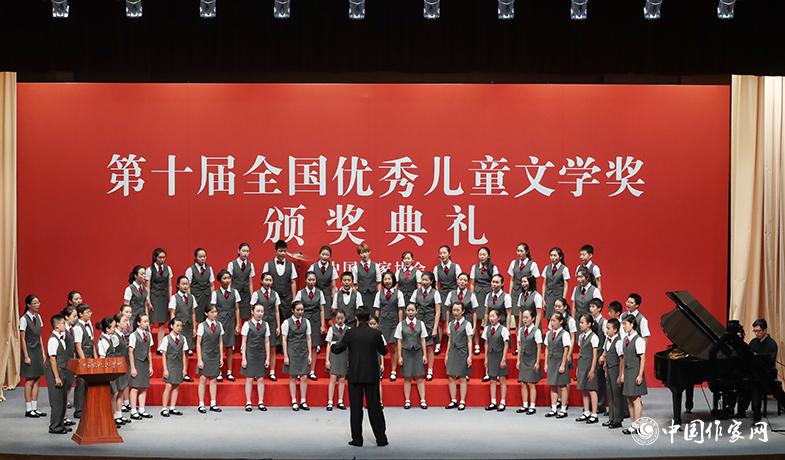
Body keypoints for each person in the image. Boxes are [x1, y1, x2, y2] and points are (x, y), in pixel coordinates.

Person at [331, 311, 389, 448]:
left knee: (356, 409)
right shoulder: (376, 333)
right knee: (375, 407)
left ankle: (357, 439)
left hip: (355, 375)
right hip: (371, 375)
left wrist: (332, 345)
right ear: (369, 318)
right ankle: (381, 439)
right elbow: (384, 351)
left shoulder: (350, 333)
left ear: (356, 318)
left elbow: (338, 349)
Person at [738, 318, 778, 421]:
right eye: (754, 331)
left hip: (766, 373)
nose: (756, 333)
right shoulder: (753, 342)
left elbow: (771, 362)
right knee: (741, 380)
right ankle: (740, 409)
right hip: (753, 372)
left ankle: (756, 411)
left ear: (765, 330)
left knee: (755, 382)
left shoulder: (772, 344)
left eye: (758, 331)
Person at [395, 304, 428, 409]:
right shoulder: (401, 324)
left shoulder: (421, 324)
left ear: (416, 311)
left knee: (420, 377)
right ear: (405, 311)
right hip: (406, 352)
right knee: (407, 378)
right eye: (408, 310)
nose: (410, 312)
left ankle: (423, 400)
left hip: (418, 352)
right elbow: (399, 341)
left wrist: (424, 355)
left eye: (412, 310)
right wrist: (400, 356)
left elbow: (423, 339)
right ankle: (407, 401)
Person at [373, 271, 405, 381]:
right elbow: (377, 310)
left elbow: (400, 310)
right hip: (382, 323)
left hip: (394, 323)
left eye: (389, 279)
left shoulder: (399, 293)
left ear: (393, 280)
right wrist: (376, 324)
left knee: (393, 347)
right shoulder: (379, 294)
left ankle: (393, 371)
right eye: (385, 279)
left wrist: (400, 324)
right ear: (382, 281)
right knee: (379, 347)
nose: (387, 281)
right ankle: (379, 370)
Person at [294, 272, 326, 381]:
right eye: (309, 280)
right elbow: (296, 308)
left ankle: (312, 371)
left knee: (314, 346)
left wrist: (322, 325)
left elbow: (322, 310)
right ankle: (301, 371)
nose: (311, 282)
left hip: (316, 322)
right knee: (302, 346)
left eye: (313, 280)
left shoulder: (320, 293)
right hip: (303, 321)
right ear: (305, 280)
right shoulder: (300, 293)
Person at [410, 272, 441, 381]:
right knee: (417, 347)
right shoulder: (416, 292)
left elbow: (438, 312)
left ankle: (430, 371)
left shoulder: (435, 293)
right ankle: (418, 370)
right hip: (418, 322)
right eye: (422, 279)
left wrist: (435, 328)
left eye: (426, 280)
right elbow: (411, 307)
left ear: (431, 281)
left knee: (429, 347)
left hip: (430, 322)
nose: (424, 282)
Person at [211, 269, 241, 382]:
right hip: (219, 321)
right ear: (220, 280)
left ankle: (229, 372)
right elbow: (213, 309)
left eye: (228, 278)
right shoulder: (215, 293)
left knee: (229, 347)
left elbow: (237, 309)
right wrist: (214, 323)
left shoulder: (235, 292)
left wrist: (238, 324)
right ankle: (218, 372)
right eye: (224, 278)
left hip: (231, 321)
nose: (227, 280)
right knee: (218, 347)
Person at [250, 273, 281, 382]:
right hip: (259, 324)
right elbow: (252, 310)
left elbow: (277, 311)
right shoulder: (256, 294)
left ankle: (272, 372)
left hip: (272, 323)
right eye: (266, 280)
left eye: (270, 280)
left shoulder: (275, 294)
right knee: (259, 348)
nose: (268, 282)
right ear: (262, 281)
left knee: (272, 347)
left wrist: (278, 326)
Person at [282, 301, 312, 411]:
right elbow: (284, 340)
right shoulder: (287, 323)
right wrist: (286, 355)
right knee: (293, 377)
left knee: (304, 376)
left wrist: (309, 354)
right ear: (292, 310)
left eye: (302, 310)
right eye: (298, 310)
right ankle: (294, 400)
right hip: (292, 352)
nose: (300, 312)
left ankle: (303, 400)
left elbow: (308, 338)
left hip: (303, 351)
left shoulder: (306, 322)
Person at [240, 304, 271, 412]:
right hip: (250, 354)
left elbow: (267, 342)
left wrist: (267, 358)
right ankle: (248, 402)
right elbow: (244, 342)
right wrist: (244, 358)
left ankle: (261, 402)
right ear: (252, 312)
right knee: (249, 378)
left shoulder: (265, 325)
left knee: (261, 378)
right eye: (258, 311)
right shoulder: (247, 324)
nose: (260, 313)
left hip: (261, 354)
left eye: (262, 311)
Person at [620, 315, 647, 435]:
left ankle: (637, 424)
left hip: (635, 371)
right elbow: (624, 358)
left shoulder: (639, 340)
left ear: (632, 324)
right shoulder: (625, 339)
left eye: (625, 324)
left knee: (636, 398)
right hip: (627, 372)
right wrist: (622, 374)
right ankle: (633, 424)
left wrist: (640, 375)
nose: (623, 326)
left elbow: (642, 358)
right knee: (629, 398)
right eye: (623, 324)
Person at [20, 294, 45, 418]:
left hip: (38, 351)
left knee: (37, 379)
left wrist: (43, 352)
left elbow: (39, 336)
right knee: (30, 379)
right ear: (29, 305)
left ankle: (35, 407)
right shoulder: (24, 319)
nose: (37, 305)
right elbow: (22, 339)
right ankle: (28, 408)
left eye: (38, 302)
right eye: (35, 303)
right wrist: (26, 356)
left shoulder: (38, 317)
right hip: (29, 351)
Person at [434, 245, 462, 355]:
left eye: (444, 253)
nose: (442, 255)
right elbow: (435, 284)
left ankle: (455, 342)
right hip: (442, 294)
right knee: (441, 320)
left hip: (454, 294)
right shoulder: (437, 268)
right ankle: (438, 344)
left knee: (454, 318)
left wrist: (457, 295)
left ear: (449, 254)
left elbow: (460, 281)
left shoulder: (456, 266)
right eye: (440, 253)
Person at [445, 302, 473, 410]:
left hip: (462, 352)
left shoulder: (467, 324)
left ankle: (462, 401)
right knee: (451, 376)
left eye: (458, 310)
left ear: (463, 311)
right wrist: (447, 354)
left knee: (462, 377)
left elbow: (469, 341)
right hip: (452, 352)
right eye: (454, 310)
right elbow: (449, 340)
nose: (455, 312)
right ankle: (453, 400)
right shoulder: (450, 324)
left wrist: (469, 356)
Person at [444, 272, 480, 356]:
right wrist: (447, 325)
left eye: (465, 280)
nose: (462, 282)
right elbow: (448, 311)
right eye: (461, 279)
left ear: (468, 282)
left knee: (466, 345)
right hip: (454, 322)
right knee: (453, 343)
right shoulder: (451, 294)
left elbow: (474, 312)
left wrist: (474, 327)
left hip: (467, 322)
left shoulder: (472, 295)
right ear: (457, 280)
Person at [197, 304, 224, 414]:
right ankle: (201, 404)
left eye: (215, 312)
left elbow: (220, 341)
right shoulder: (202, 326)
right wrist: (199, 359)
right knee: (203, 379)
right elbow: (198, 343)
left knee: (213, 379)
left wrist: (221, 357)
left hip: (215, 355)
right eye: (212, 312)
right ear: (206, 313)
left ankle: (213, 404)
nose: (214, 314)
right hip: (205, 355)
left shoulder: (219, 325)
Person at [45, 314, 70, 434]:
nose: (65, 325)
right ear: (56, 326)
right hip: (56, 372)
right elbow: (52, 359)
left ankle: (60, 424)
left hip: (63, 371)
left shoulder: (61, 339)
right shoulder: (53, 340)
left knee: (63, 400)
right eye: (63, 323)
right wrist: (56, 377)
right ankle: (54, 426)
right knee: (56, 401)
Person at [169, 276, 196, 382]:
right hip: (179, 327)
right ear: (178, 285)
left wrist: (194, 327)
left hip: (188, 327)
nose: (185, 286)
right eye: (183, 284)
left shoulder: (191, 297)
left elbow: (193, 313)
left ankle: (184, 372)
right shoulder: (174, 297)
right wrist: (173, 327)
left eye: (186, 284)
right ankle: (175, 372)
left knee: (186, 350)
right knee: (177, 351)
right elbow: (172, 313)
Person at [544, 312, 571, 419]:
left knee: (562, 386)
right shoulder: (549, 333)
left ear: (560, 322)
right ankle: (554, 408)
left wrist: (563, 364)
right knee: (553, 385)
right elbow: (547, 348)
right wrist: (546, 363)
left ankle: (563, 409)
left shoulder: (565, 334)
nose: (552, 323)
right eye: (551, 320)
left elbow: (566, 349)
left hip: (560, 361)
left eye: (554, 321)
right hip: (552, 362)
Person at [159, 318, 188, 417]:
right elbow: (163, 354)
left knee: (176, 386)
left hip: (178, 365)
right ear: (172, 326)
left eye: (181, 326)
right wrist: (165, 369)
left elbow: (184, 354)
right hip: (170, 365)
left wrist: (184, 368)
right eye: (177, 326)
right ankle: (164, 408)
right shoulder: (166, 339)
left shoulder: (183, 339)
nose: (179, 328)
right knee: (168, 386)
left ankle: (172, 407)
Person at [516, 308, 543, 414]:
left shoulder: (537, 331)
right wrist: (518, 360)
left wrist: (537, 362)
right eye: (523, 317)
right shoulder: (521, 330)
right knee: (523, 383)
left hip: (532, 359)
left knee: (531, 383)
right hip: (523, 359)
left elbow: (539, 347)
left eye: (527, 317)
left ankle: (532, 406)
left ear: (533, 318)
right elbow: (520, 346)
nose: (524, 319)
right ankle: (525, 405)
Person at [575, 314, 600, 424]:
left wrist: (592, 369)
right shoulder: (581, 337)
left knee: (591, 389)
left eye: (582, 323)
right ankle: (586, 412)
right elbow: (580, 352)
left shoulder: (594, 337)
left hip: (590, 365)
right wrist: (578, 367)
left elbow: (595, 355)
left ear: (589, 324)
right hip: (582, 365)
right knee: (584, 389)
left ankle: (594, 414)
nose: (580, 325)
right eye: (580, 323)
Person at [146, 248, 173, 347]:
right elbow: (148, 286)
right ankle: (147, 344)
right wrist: (148, 300)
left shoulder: (168, 268)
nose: (162, 259)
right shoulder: (149, 270)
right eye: (160, 257)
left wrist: (170, 299)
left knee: (162, 322)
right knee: (151, 321)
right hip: (154, 297)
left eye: (164, 257)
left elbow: (170, 285)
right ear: (155, 257)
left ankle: (160, 346)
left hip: (164, 297)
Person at [128, 313, 154, 420]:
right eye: (144, 321)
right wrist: (133, 367)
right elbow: (130, 352)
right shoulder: (133, 335)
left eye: (147, 321)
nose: (147, 323)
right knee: (135, 387)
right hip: (137, 362)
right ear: (138, 323)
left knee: (144, 387)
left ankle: (142, 409)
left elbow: (149, 351)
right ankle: (133, 410)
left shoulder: (148, 335)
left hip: (145, 363)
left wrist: (150, 366)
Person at [483, 309, 509, 411]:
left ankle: (502, 402)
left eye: (493, 316)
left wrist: (504, 358)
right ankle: (493, 402)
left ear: (499, 318)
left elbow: (506, 345)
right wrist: (486, 358)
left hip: (500, 355)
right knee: (492, 379)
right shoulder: (487, 329)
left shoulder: (503, 329)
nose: (491, 318)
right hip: (491, 355)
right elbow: (486, 344)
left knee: (502, 379)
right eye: (490, 316)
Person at [265, 240, 297, 321]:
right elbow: (264, 282)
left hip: (287, 299)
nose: (283, 253)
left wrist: (294, 299)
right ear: (275, 251)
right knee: (273, 320)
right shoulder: (268, 264)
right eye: (280, 251)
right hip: (272, 298)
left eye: (285, 251)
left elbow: (293, 282)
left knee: (287, 321)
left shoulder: (291, 265)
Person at [600, 318, 624, 429]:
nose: (606, 330)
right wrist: (605, 364)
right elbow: (607, 353)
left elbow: (622, 359)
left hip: (615, 370)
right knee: (610, 394)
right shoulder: (607, 340)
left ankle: (618, 419)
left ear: (615, 330)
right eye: (606, 328)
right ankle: (611, 418)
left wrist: (620, 374)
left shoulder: (618, 342)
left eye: (608, 328)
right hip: (609, 370)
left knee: (617, 395)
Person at [72, 303, 94, 419]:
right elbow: (78, 346)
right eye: (87, 312)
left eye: (90, 312)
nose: (90, 314)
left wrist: (95, 358)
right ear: (80, 314)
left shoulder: (89, 324)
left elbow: (91, 343)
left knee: (89, 384)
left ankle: (87, 407)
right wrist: (84, 361)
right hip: (82, 359)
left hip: (90, 357)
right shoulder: (77, 328)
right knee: (81, 384)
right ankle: (79, 410)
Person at [326, 309, 350, 411]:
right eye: (338, 318)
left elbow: (350, 345)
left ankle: (340, 401)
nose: (340, 320)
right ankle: (330, 401)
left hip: (344, 355)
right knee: (333, 377)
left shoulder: (348, 329)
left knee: (342, 379)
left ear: (345, 318)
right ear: (335, 319)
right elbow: (328, 344)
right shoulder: (331, 329)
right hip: (334, 355)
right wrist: (327, 360)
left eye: (342, 318)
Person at [185, 247, 215, 325]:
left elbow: (212, 285)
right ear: (195, 257)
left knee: (207, 319)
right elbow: (187, 287)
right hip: (196, 297)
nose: (202, 258)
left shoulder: (209, 269)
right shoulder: (190, 270)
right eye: (200, 257)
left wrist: (212, 298)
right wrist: (190, 299)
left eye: (204, 256)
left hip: (207, 298)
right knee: (196, 318)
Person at [309, 245, 338, 323]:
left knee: (328, 319)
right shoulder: (313, 267)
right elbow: (309, 282)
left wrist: (334, 302)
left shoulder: (332, 268)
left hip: (327, 296)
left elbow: (333, 286)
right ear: (319, 254)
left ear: (330, 256)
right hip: (315, 296)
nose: (324, 257)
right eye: (323, 254)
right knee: (315, 317)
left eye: (327, 255)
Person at [229, 242, 256, 323]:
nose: (245, 253)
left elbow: (250, 282)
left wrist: (251, 297)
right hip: (235, 294)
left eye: (247, 251)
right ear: (238, 251)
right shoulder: (232, 264)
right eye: (243, 251)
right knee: (233, 317)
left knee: (246, 318)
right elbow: (229, 281)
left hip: (246, 295)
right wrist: (229, 294)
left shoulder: (250, 265)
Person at [352, 242, 382, 311]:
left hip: (374, 295)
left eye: (366, 252)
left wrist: (379, 296)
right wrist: (356, 297)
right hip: (361, 295)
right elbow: (354, 285)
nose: (364, 255)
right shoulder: (355, 267)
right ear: (359, 254)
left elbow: (379, 283)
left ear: (369, 252)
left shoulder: (376, 266)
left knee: (374, 314)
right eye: (362, 253)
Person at [542, 247, 569, 320]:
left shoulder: (564, 269)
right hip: (548, 297)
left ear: (560, 257)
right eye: (551, 255)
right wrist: (543, 299)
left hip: (558, 296)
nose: (552, 257)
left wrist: (563, 299)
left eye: (555, 255)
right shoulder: (547, 268)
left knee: (558, 318)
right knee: (549, 317)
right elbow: (544, 284)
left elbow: (566, 285)